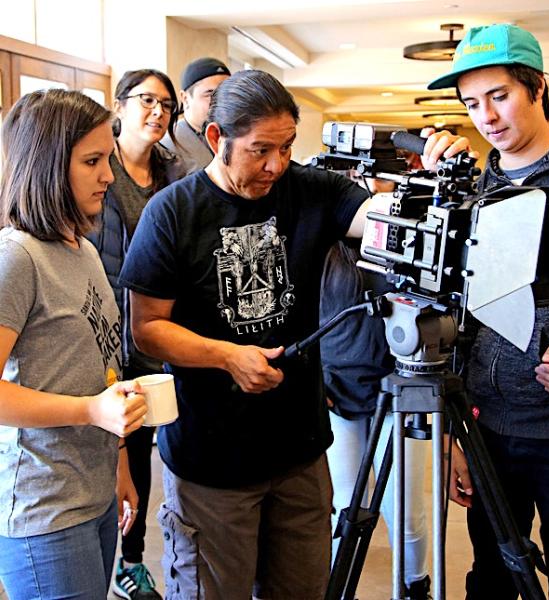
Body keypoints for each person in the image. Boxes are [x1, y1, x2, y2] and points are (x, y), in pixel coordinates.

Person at [118, 69, 371, 600]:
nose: (276, 165)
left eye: (286, 147)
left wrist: (422, 192)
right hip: (212, 462)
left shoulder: (309, 189)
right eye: (259, 150)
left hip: (299, 453)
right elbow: (146, 330)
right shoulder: (174, 212)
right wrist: (227, 356)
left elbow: (375, 219)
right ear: (217, 139)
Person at [423, 23, 549, 600]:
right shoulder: (473, 189)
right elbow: (455, 317)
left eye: (499, 96)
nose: (487, 116)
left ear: (538, 87)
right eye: (472, 103)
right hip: (487, 427)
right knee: (493, 577)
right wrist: (455, 434)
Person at [0, 89, 147, 600]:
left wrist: (120, 461)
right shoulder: (17, 257)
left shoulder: (81, 248)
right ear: (44, 166)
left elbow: (100, 369)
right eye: (92, 161)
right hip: (45, 510)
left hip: (94, 491)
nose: (108, 175)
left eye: (107, 157)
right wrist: (90, 411)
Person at [87, 68, 185, 600]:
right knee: (114, 443)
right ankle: (112, 554)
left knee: (145, 446)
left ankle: (133, 561)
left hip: (165, 331)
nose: (157, 112)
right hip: (108, 332)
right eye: (146, 100)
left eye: (166, 105)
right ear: (120, 105)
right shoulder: (101, 170)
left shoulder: (178, 173)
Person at [321, 237, 430, 599]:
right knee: (346, 507)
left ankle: (416, 586)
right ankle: (338, 589)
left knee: (406, 509)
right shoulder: (321, 231)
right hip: (335, 391)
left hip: (399, 386)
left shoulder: (410, 234)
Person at [161, 57, 230, 173]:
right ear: (185, 98)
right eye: (210, 94)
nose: (222, 101)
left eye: (227, 93)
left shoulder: (235, 135)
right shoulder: (168, 145)